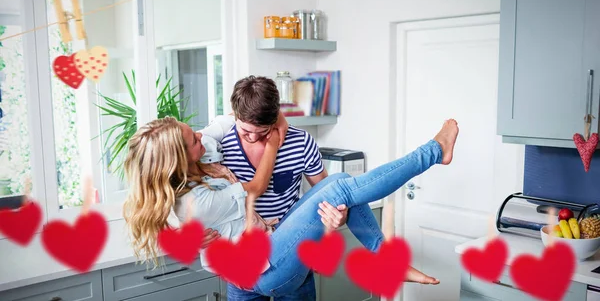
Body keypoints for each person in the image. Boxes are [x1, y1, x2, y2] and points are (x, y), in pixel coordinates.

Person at [122, 114, 458, 298]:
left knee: (332, 186)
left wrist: (276, 119)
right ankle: (432, 152)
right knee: (339, 188)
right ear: (179, 158)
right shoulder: (194, 202)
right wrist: (273, 143)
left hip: (268, 248)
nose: (200, 135)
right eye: (192, 139)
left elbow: (230, 120)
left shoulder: (203, 155)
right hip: (260, 271)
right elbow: (255, 187)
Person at [201, 76, 348, 300]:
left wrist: (334, 224)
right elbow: (188, 195)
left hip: (293, 261)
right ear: (234, 115)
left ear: (274, 118)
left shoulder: (301, 143)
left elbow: (327, 194)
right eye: (245, 131)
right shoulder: (217, 148)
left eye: (262, 132)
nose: (252, 138)